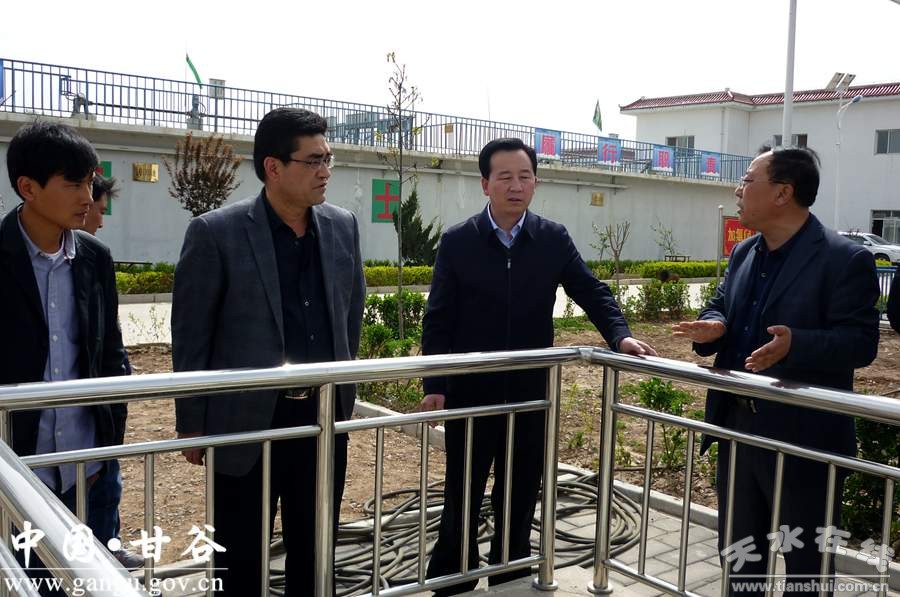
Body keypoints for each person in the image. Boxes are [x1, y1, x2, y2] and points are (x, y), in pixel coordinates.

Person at [419, 137, 656, 594]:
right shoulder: (459, 241)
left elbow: (591, 290)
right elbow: (439, 318)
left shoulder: (551, 238)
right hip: (473, 392)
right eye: (505, 177)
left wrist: (620, 335)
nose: (516, 186)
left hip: (532, 392)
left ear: (536, 182)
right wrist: (436, 382)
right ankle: (451, 579)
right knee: (463, 488)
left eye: (524, 176)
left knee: (521, 488)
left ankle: (509, 574)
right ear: (485, 184)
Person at [172, 107, 365, 595]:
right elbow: (192, 334)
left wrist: (342, 392)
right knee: (239, 553)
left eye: (328, 159)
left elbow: (350, 314)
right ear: (273, 167)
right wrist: (192, 421)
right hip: (245, 421)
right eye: (313, 160)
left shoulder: (342, 226)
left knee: (315, 549)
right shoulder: (216, 233)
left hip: (321, 418)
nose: (325, 171)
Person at [673, 147, 880, 596]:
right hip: (737, 429)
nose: (738, 190)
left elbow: (861, 342)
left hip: (805, 440)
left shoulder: (844, 260)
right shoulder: (744, 252)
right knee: (740, 557)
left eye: (748, 180)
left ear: (783, 193)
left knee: (806, 564)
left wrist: (796, 344)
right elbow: (721, 304)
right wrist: (714, 325)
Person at [1, 121, 128, 590]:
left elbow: (110, 352)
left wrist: (109, 446)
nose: (87, 197)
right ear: (28, 187)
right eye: (73, 184)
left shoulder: (95, 258)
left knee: (93, 582)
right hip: (16, 473)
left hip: (89, 470)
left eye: (89, 183)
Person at [79, 174, 143, 569]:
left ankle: (108, 547)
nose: (100, 220)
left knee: (105, 482)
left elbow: (110, 341)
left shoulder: (94, 259)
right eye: (97, 210)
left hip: (99, 409)